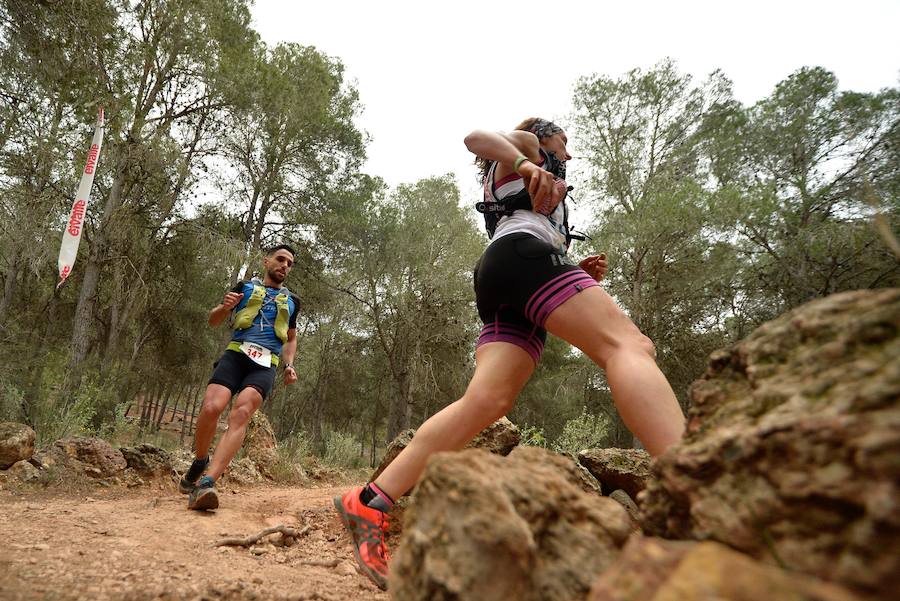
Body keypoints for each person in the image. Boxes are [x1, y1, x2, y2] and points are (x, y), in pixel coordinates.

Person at [333, 118, 686, 590]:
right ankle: (694, 487)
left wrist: (574, 269)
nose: (570, 151)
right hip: (522, 258)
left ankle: (369, 501)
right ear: (545, 136)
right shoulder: (528, 147)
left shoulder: (533, 176)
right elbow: (474, 138)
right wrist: (524, 157)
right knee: (629, 345)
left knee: (485, 402)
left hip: (506, 275)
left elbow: (524, 219)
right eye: (565, 141)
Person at [180, 244, 301, 510]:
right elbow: (213, 320)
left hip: (265, 363)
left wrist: (288, 364)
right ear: (266, 260)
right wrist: (224, 308)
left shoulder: (293, 302)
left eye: (290, 263)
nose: (285, 266)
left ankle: (207, 483)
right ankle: (201, 460)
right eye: (280, 259)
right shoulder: (243, 288)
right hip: (236, 355)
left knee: (241, 414)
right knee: (212, 407)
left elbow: (291, 339)